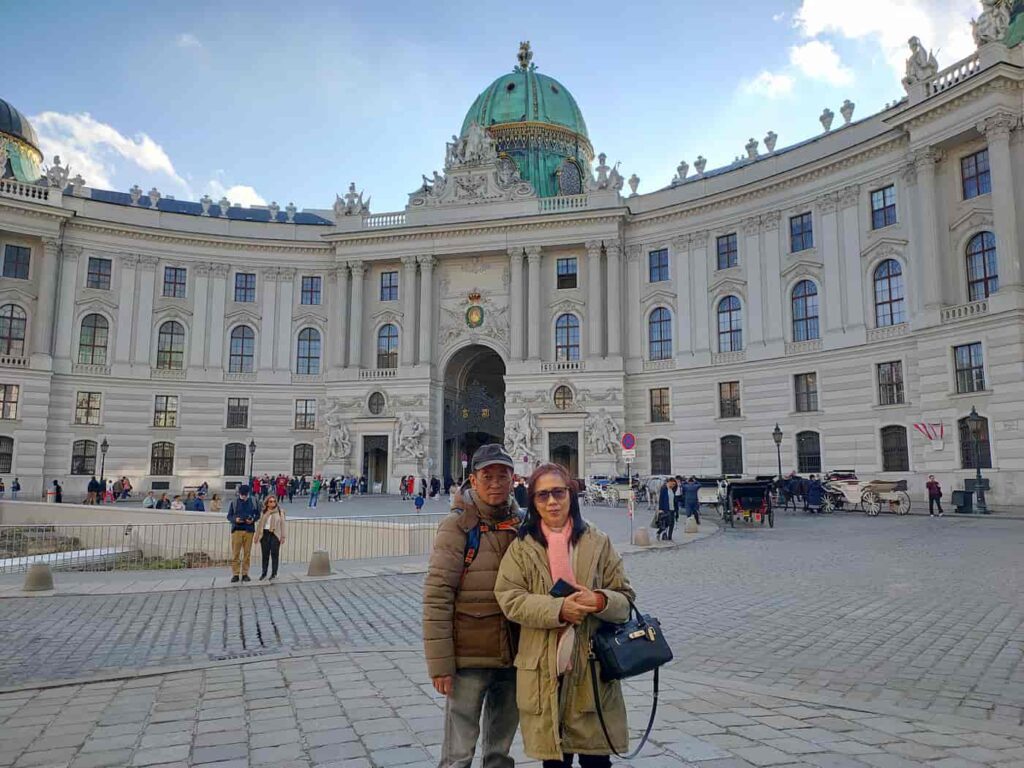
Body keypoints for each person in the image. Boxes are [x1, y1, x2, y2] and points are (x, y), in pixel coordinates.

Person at [495, 462, 636, 767]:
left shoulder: (599, 542)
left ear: (571, 494)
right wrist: (559, 609)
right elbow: (509, 598)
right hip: (544, 669)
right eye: (542, 495)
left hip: (592, 670)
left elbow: (625, 599)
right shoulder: (522, 547)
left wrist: (599, 601)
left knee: (596, 762)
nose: (552, 502)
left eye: (558, 493)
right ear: (532, 502)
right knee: (554, 761)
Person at [423, 444, 522, 768]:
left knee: (500, 752)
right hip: (469, 659)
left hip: (513, 655)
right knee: (458, 755)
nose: (495, 483)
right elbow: (438, 594)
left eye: (502, 476)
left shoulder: (523, 527)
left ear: (513, 479)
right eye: (487, 476)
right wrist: (441, 665)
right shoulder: (456, 527)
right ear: (473, 481)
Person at [227, 485, 259, 583]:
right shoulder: (234, 502)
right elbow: (229, 516)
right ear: (239, 494)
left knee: (247, 553)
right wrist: (235, 520)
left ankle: (245, 573)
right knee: (235, 553)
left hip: (249, 530)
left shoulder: (253, 501)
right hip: (237, 530)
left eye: (245, 495)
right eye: (242, 495)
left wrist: (253, 519)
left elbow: (258, 514)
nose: (244, 497)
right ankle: (235, 574)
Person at [256, 494, 286, 581]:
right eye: (271, 501)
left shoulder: (280, 511)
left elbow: (282, 524)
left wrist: (283, 536)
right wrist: (257, 536)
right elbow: (260, 524)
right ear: (267, 503)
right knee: (265, 555)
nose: (273, 503)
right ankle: (264, 573)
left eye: (274, 501)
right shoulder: (264, 512)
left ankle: (274, 573)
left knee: (274, 554)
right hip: (265, 534)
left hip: (275, 534)